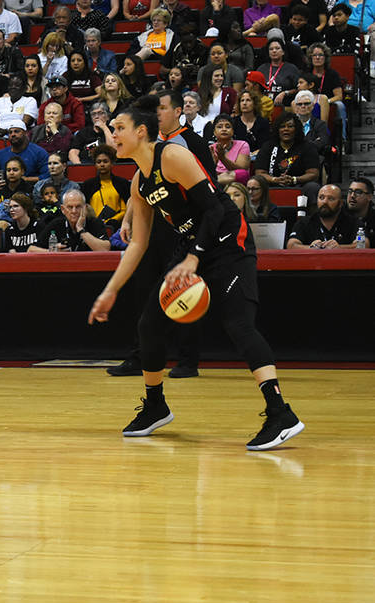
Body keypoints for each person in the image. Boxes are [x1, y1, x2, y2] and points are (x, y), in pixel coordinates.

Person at [88, 95, 305, 450]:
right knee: (149, 323)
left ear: (142, 132)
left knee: (238, 323)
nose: (113, 134)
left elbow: (215, 210)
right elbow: (138, 245)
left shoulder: (173, 156)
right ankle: (155, 405)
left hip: (226, 241)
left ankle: (281, 412)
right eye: (112, 129)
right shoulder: (139, 183)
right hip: (192, 247)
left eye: (119, 128)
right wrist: (110, 291)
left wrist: (194, 259)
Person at [30, 189, 111, 251]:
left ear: (85, 208)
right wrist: (53, 251)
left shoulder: (95, 222)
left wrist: (81, 230)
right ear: (63, 209)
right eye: (70, 207)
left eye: (78, 207)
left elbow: (105, 249)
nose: (74, 211)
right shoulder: (57, 224)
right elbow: (31, 250)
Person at [287, 184, 365, 248]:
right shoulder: (304, 223)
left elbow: (362, 244)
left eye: (331, 199)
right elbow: (292, 245)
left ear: (340, 203)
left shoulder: (353, 223)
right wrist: (310, 248)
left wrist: (340, 248)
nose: (324, 202)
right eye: (321, 198)